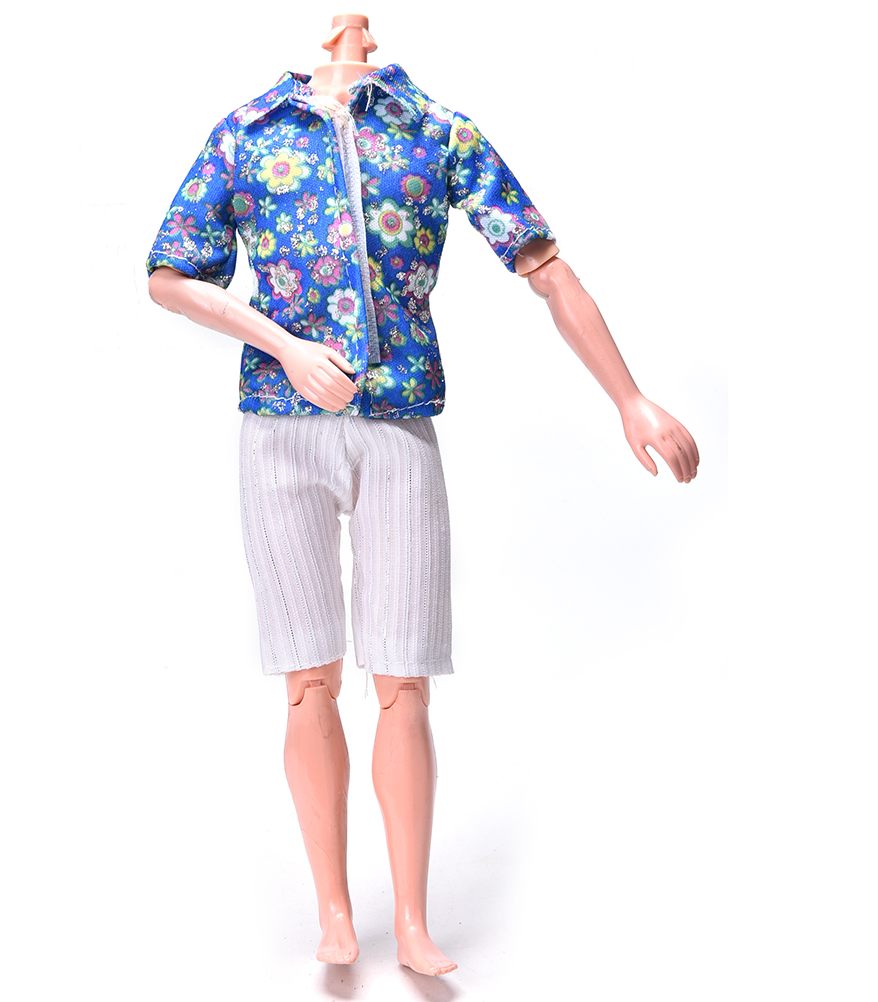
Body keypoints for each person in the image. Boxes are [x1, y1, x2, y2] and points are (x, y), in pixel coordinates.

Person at [146, 14, 698, 978]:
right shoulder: (248, 130)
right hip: (279, 429)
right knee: (307, 676)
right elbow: (168, 275)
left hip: (399, 425)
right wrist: (283, 345)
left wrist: (629, 396)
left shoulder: (437, 130)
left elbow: (545, 266)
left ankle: (410, 916)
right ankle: (333, 911)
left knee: (404, 680)